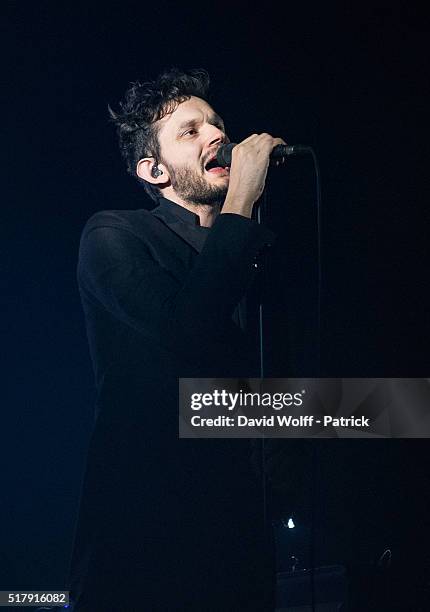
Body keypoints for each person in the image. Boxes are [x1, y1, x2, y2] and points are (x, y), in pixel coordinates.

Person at [67, 68, 286, 611]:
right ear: (154, 169)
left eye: (215, 123)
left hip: (237, 556)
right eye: (190, 131)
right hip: (144, 552)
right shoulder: (113, 234)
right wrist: (239, 204)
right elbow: (187, 332)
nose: (216, 135)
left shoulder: (254, 259)